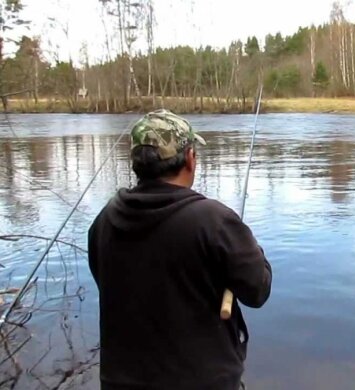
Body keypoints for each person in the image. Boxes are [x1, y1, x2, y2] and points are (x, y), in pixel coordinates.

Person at [87, 109, 272, 390]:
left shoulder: (104, 220)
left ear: (137, 163)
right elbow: (258, 290)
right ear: (189, 158)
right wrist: (252, 248)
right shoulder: (213, 220)